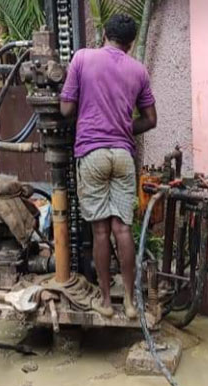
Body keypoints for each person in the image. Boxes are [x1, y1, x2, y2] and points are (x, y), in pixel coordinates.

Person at [60, 13, 157, 319]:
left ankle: (105, 302)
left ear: (104, 33)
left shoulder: (82, 58)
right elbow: (150, 119)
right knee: (122, 229)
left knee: (100, 232)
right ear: (131, 42)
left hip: (92, 154)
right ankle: (129, 302)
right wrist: (124, 128)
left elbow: (66, 109)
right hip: (123, 156)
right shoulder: (138, 70)